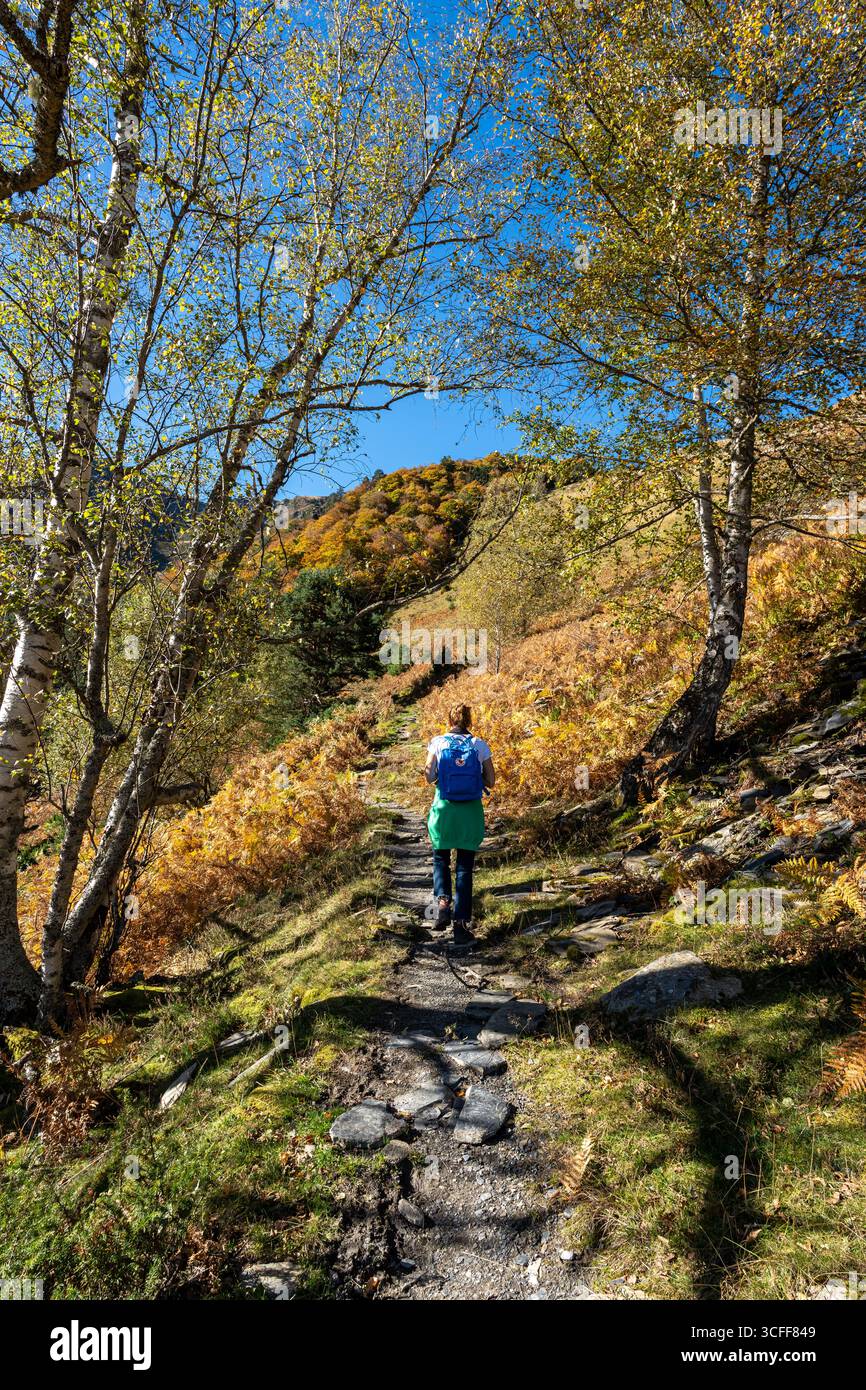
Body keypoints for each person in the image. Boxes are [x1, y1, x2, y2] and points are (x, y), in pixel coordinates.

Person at [424, 703, 495, 945]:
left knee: (440, 857)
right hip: (470, 812)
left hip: (444, 808)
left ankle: (443, 903)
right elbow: (492, 780)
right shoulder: (479, 744)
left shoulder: (438, 742)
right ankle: (460, 926)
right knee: (464, 867)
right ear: (469, 720)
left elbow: (429, 775)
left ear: (449, 719)